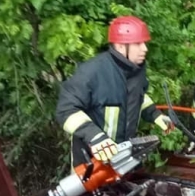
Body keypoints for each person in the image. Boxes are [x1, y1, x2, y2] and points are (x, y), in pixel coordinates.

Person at [55, 16, 175, 167]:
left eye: (144, 43)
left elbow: (139, 97)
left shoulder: (136, 71)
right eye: (138, 43)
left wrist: (155, 115)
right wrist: (95, 136)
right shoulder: (92, 72)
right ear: (120, 46)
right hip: (90, 165)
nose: (145, 48)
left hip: (123, 159)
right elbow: (66, 110)